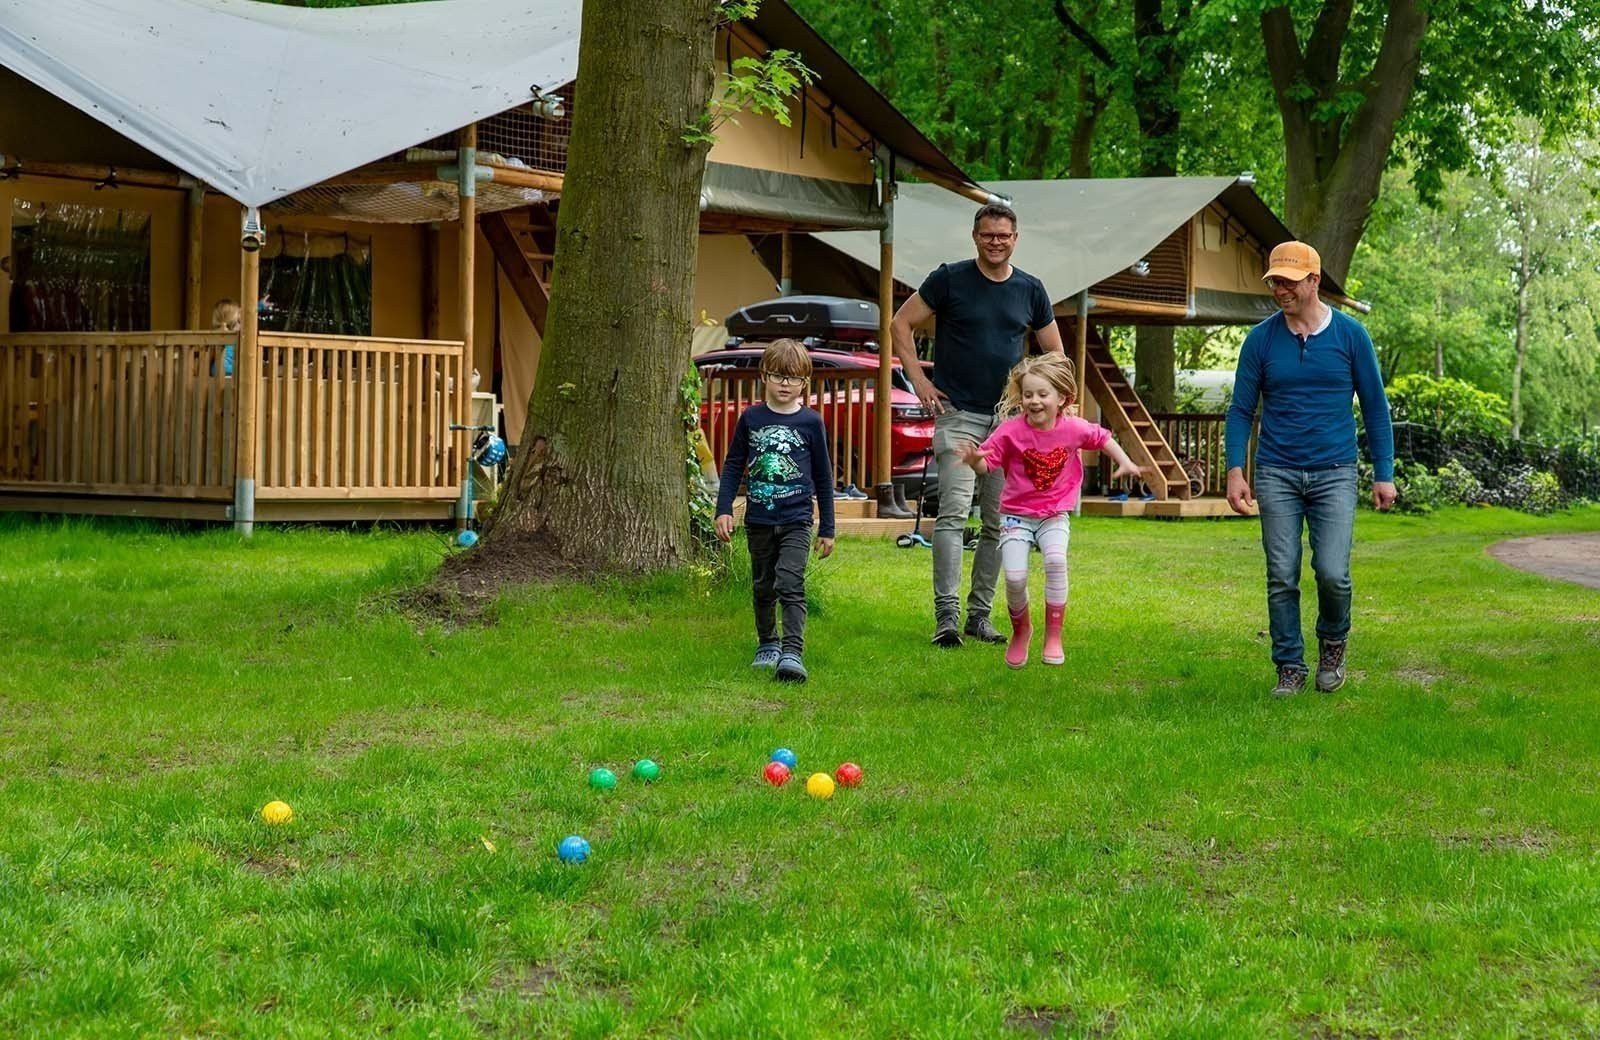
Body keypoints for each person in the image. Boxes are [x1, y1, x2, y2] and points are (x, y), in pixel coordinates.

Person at [890, 201, 1066, 649]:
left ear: (1015, 239)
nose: (995, 242)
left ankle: (979, 616)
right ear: (975, 237)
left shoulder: (1031, 289)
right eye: (988, 234)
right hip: (958, 415)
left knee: (999, 521)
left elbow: (1055, 354)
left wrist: (1046, 404)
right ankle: (946, 617)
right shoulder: (949, 279)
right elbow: (900, 323)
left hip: (1009, 423)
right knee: (952, 513)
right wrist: (919, 380)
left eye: (1003, 236)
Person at [1224, 241, 1396, 697]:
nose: (1280, 290)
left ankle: (1333, 644)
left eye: (1289, 281)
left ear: (1314, 280)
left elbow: (1375, 407)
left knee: (1332, 572)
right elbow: (1241, 410)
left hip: (1334, 471)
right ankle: (1290, 666)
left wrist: (1384, 472)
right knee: (1282, 574)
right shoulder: (1260, 340)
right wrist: (1235, 470)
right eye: (1275, 282)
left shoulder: (1351, 336)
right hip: (1276, 471)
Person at [958, 354, 1145, 668]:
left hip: (1054, 514)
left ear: (1061, 398)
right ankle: (1022, 631)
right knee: (1015, 578)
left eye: (1042, 394)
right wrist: (974, 460)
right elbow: (986, 464)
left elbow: (1103, 438)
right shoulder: (1010, 431)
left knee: (1056, 562)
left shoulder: (1073, 428)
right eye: (1028, 394)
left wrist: (1125, 461)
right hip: (1016, 515)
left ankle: (1054, 635)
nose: (1034, 401)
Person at [714, 339, 836, 684]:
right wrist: (724, 509)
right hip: (759, 520)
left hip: (797, 519)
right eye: (778, 376)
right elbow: (734, 465)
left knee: (790, 581)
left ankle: (792, 652)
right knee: (763, 585)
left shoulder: (811, 422)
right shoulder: (751, 418)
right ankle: (768, 642)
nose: (785, 384)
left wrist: (827, 527)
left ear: (804, 382)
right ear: (764, 376)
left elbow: (823, 477)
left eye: (793, 378)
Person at [211, 298, 241, 377]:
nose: (240, 326)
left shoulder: (216, 334)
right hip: (227, 371)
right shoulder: (229, 336)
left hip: (216, 370)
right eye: (238, 322)